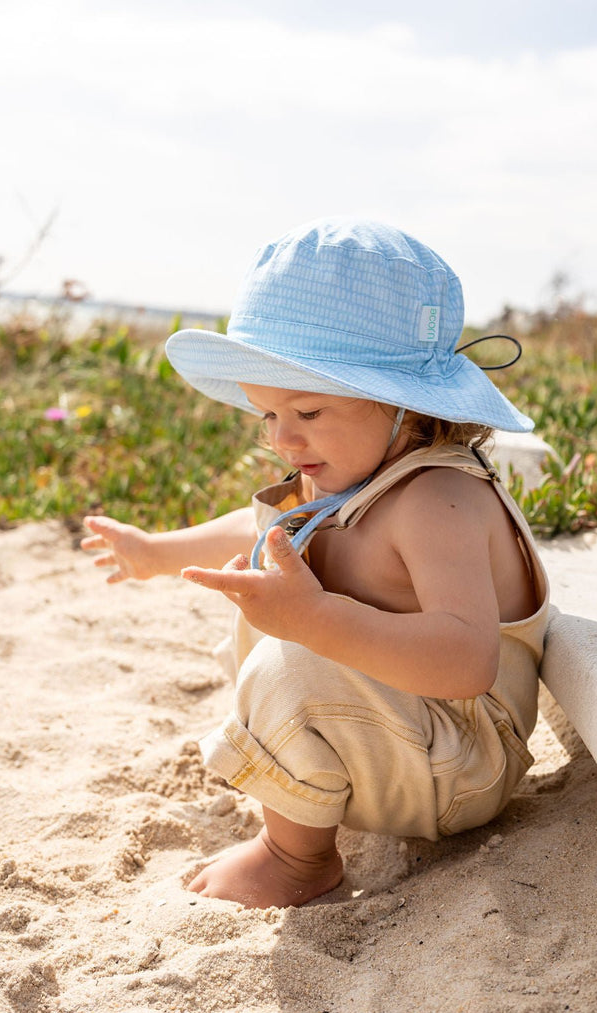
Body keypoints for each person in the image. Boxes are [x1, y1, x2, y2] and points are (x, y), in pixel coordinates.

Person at [82, 217, 549, 910]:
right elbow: (260, 525)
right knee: (276, 595)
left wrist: (320, 620)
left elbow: (466, 660)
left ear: (404, 407)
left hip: (461, 762)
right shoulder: (349, 477)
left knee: (292, 652)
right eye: (266, 414)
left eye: (306, 409)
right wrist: (155, 553)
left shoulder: (437, 499)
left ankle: (295, 859)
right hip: (402, 739)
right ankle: (304, 797)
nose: (282, 436)